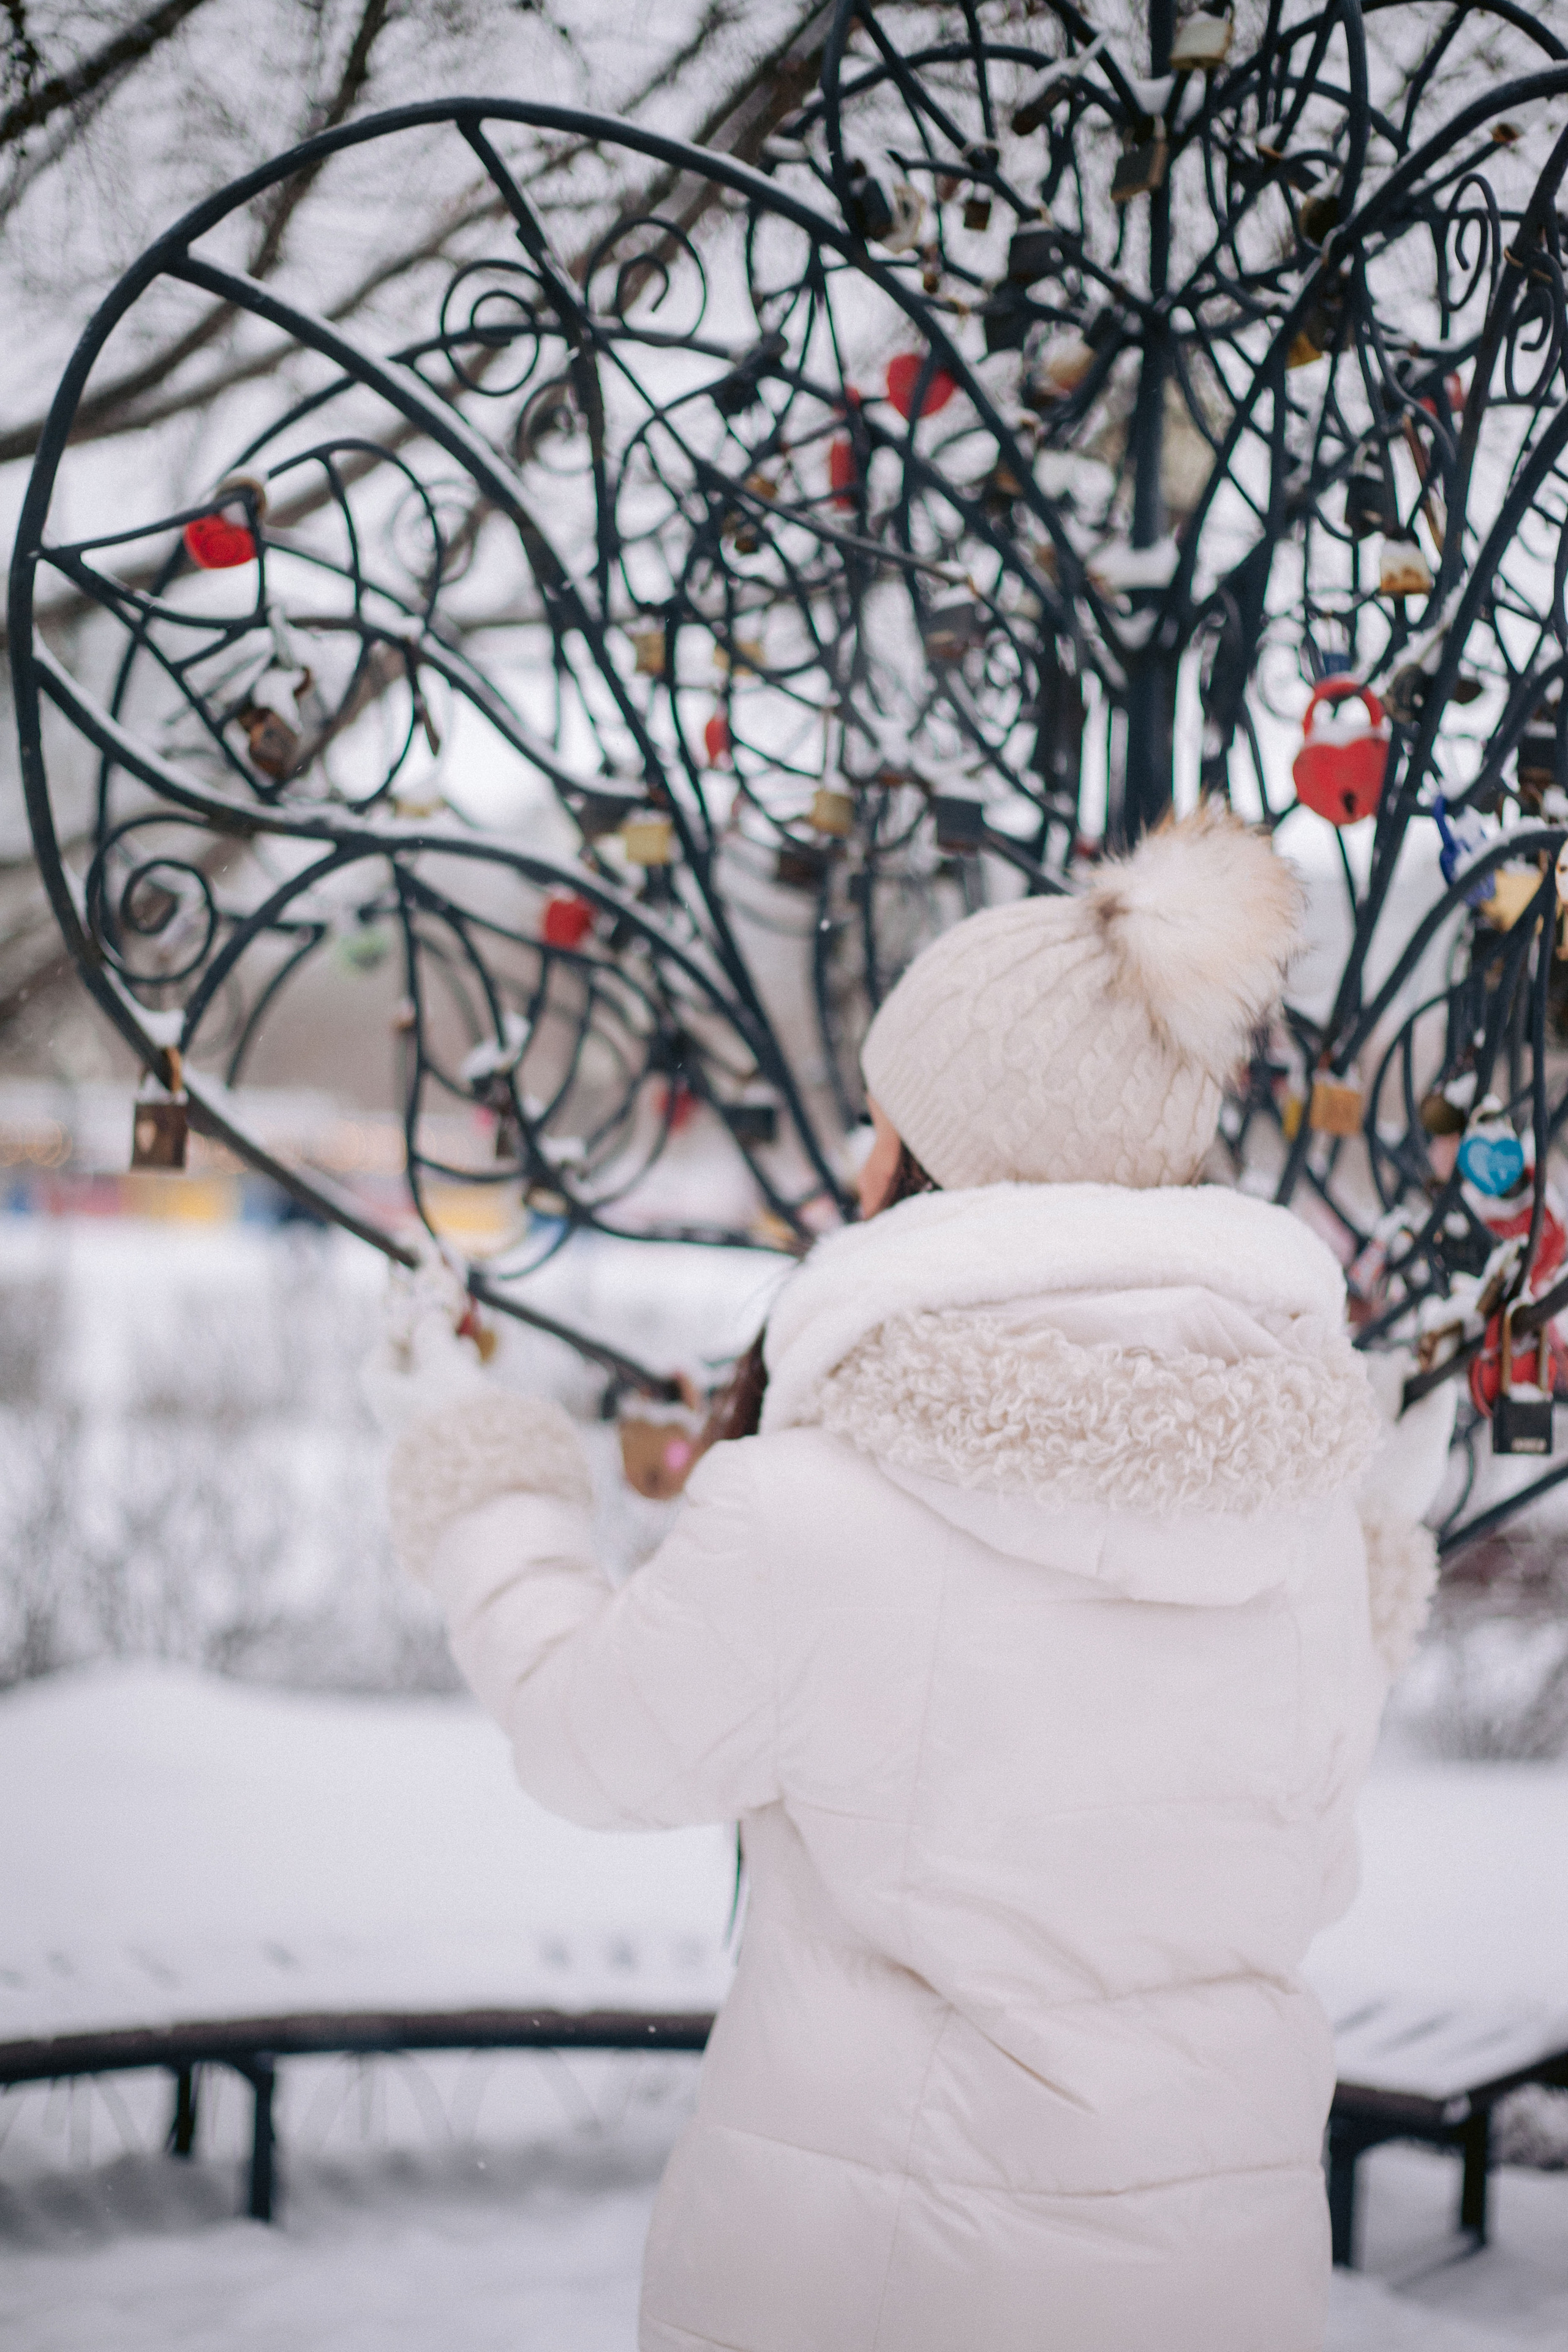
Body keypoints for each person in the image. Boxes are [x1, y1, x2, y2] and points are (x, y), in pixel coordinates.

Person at [377, 805, 1447, 2352]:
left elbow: (584, 1741)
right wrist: (1374, 1563)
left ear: (949, 1157)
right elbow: (1301, 1867)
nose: (859, 1160)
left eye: (887, 1120)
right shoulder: (1297, 1522)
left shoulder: (820, 1515)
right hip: (1216, 2279)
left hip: (883, 2283)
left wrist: (484, 1480)